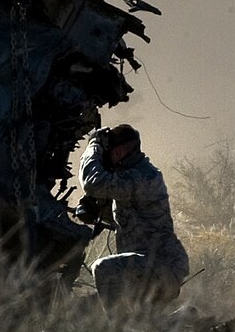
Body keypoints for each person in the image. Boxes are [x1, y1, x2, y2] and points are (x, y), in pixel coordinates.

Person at [79, 124, 189, 307]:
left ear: (119, 151)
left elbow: (94, 183)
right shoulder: (129, 178)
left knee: (103, 268)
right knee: (86, 307)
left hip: (160, 266)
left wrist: (93, 147)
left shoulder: (143, 177)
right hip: (144, 267)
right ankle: (177, 320)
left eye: (108, 152)